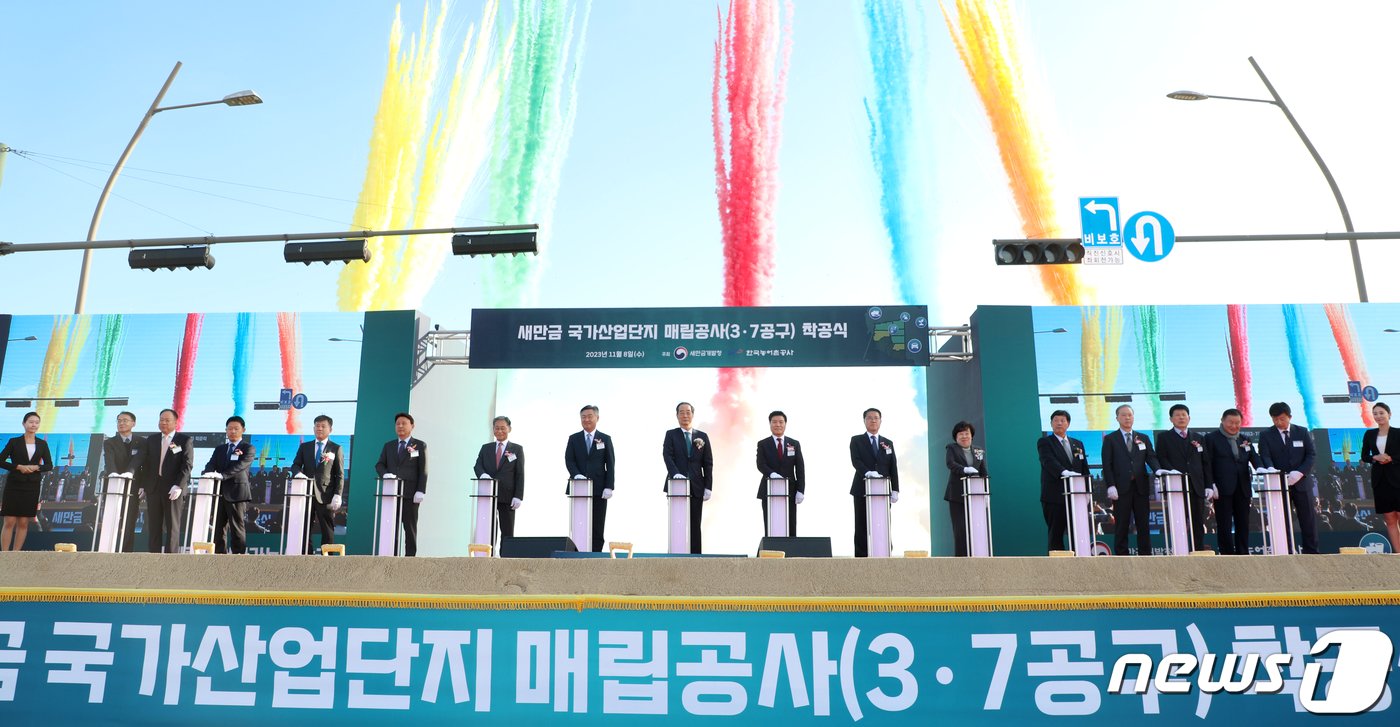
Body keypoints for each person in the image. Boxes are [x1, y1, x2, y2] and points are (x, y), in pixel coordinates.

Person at [1101, 404, 1162, 556]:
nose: (1127, 418)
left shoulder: (1143, 438)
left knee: (1143, 524)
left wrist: (1157, 469)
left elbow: (1151, 457)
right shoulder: (1110, 439)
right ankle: (1122, 556)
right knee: (1122, 523)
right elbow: (1107, 464)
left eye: (1130, 415)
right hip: (1120, 488)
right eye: (1123, 415)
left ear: (1133, 417)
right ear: (1117, 418)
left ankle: (1145, 555)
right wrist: (1111, 485)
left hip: (1140, 487)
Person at [1258, 401, 1319, 554]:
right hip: (1279, 484)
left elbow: (1311, 455)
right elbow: (1265, 455)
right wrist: (1271, 469)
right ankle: (1287, 551)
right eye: (1275, 419)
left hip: (1302, 482)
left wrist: (1300, 472)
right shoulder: (1266, 435)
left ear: (1290, 417)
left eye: (1282, 419)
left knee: (1307, 519)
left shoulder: (1302, 432)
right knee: (1283, 520)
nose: (1279, 422)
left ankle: (1311, 552)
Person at [1154, 404, 1214, 551]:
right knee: (1178, 519)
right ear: (1171, 419)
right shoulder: (1164, 437)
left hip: (1196, 486)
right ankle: (1179, 549)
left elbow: (1205, 463)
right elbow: (1162, 458)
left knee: (1197, 520)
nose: (1181, 417)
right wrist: (1172, 471)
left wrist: (1209, 485)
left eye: (1184, 415)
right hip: (1176, 485)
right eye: (1177, 415)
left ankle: (1198, 548)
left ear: (1189, 418)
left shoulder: (1198, 438)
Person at [1203, 408, 1262, 555]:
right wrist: (1211, 484)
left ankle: (1243, 553)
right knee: (1224, 524)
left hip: (1242, 487)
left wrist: (1262, 469)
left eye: (1237, 423)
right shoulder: (1211, 438)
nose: (1234, 426)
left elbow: (1254, 458)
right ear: (1222, 421)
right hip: (1222, 488)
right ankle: (1227, 554)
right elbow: (1207, 463)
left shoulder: (1244, 439)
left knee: (1243, 523)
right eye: (1230, 422)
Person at [849, 408, 901, 557]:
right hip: (862, 488)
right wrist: (867, 472)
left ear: (880, 421)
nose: (873, 420)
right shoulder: (856, 440)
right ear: (864, 421)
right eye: (869, 418)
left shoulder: (887, 443)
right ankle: (861, 557)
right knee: (861, 523)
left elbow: (893, 466)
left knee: (882, 523)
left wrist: (895, 489)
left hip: (882, 490)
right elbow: (856, 461)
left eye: (876, 418)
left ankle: (884, 553)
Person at [662, 402, 712, 554]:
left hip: (697, 486)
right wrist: (675, 473)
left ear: (693, 415)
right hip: (676, 486)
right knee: (677, 522)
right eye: (681, 412)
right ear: (677, 415)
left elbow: (708, 463)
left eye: (688, 412)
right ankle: (676, 555)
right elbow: (667, 455)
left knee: (695, 523)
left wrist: (708, 486)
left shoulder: (702, 436)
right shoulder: (671, 434)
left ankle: (696, 557)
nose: (685, 415)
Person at [375, 412, 428, 556]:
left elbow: (423, 470)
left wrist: (421, 490)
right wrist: (385, 474)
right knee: (391, 527)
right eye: (398, 424)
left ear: (412, 426)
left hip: (410, 494)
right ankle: (391, 556)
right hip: (391, 494)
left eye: (404, 423)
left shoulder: (419, 445)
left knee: (410, 529)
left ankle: (410, 559)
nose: (400, 426)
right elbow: (379, 465)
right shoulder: (389, 446)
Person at [201, 416, 255, 554]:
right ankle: (220, 557)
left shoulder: (248, 448)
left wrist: (222, 475)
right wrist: (206, 473)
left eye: (236, 428)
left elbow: (241, 466)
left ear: (243, 430)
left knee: (237, 527)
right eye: (230, 428)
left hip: (237, 493)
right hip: (219, 493)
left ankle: (238, 557)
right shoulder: (220, 449)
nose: (232, 431)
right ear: (226, 430)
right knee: (218, 528)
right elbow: (211, 464)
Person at [1037, 409, 1090, 553]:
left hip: (1076, 497)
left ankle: (1079, 558)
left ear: (1068, 424)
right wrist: (1064, 472)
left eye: (1062, 420)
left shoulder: (1078, 444)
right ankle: (1057, 564)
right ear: (1051, 424)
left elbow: (1084, 467)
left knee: (1078, 531)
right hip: (1054, 496)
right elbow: (1048, 461)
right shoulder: (1045, 442)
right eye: (1056, 420)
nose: (1059, 423)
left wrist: (1087, 491)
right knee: (1056, 533)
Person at [291, 414, 344, 553]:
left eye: (323, 426)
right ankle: (306, 555)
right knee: (305, 527)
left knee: (327, 528)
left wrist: (338, 494)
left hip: (326, 495)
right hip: (306, 494)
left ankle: (327, 559)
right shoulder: (305, 447)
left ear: (330, 429)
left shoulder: (336, 448)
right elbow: (295, 465)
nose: (319, 429)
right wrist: (298, 473)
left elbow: (339, 474)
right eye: (317, 426)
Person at [142, 408, 193, 553]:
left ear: (176, 423)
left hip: (173, 489)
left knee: (172, 526)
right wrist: (143, 485)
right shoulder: (152, 440)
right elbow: (146, 464)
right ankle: (154, 557)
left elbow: (187, 465)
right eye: (161, 420)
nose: (163, 423)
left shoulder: (184, 440)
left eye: (167, 420)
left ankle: (170, 560)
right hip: (154, 489)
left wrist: (179, 485)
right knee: (153, 525)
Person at [565, 405, 614, 552]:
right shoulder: (574, 438)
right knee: (579, 524)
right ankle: (578, 554)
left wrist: (609, 486)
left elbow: (610, 464)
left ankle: (596, 555)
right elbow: (569, 460)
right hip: (578, 488)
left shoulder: (605, 438)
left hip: (599, 489)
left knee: (597, 525)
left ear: (597, 418)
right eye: (583, 417)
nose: (586, 419)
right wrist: (576, 475)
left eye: (589, 416)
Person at [0, 412, 52, 551]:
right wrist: (18, 467)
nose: (34, 425)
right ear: (24, 424)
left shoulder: (42, 444)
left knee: (23, 522)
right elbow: (1, 460)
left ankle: (16, 554)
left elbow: (49, 465)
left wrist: (36, 467)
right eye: (31, 422)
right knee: (9, 520)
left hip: (32, 486)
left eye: (36, 422)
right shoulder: (14, 442)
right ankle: (4, 554)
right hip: (14, 484)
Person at [473, 415, 524, 546]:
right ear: (493, 429)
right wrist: (483, 475)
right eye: (496, 428)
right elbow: (477, 466)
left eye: (502, 428)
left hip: (508, 496)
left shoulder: (517, 449)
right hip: (488, 494)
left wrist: (518, 496)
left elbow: (520, 474)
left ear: (509, 429)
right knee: (488, 528)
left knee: (507, 530)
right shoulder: (486, 448)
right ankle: (488, 553)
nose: (499, 431)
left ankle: (506, 555)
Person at [102, 411, 145, 552]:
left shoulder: (142, 442)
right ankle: (108, 549)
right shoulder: (109, 442)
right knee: (112, 518)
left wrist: (139, 482)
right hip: (113, 485)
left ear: (133, 423)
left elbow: (141, 461)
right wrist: (113, 474)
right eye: (119, 420)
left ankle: (126, 551)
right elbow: (109, 461)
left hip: (133, 486)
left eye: (125, 420)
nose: (121, 423)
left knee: (130, 519)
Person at [756, 410, 805, 536]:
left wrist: (800, 490)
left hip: (790, 490)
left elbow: (800, 468)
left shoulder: (794, 444)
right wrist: (772, 474)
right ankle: (772, 547)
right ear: (770, 424)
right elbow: (761, 464)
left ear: (785, 424)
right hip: (769, 489)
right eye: (774, 422)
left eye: (781, 422)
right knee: (771, 523)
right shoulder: (763, 444)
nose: (778, 425)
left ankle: (792, 548)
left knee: (790, 523)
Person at [1360, 402, 1400, 552]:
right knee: (1390, 519)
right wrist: (1375, 457)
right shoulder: (1369, 434)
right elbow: (1364, 456)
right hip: (1380, 481)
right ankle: (1398, 554)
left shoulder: (1398, 433)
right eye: (1375, 413)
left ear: (1389, 414)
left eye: (1381, 413)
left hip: (1398, 479)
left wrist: (1391, 458)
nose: (1378, 416)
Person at [942, 420, 983, 557]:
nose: (964, 436)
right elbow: (950, 464)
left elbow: (983, 471)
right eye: (961, 434)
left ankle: (978, 556)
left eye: (967, 433)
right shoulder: (951, 448)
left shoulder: (978, 450)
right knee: (960, 529)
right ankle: (961, 560)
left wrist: (986, 493)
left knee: (977, 527)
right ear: (956, 437)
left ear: (971, 435)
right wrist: (964, 469)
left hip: (976, 495)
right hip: (957, 495)